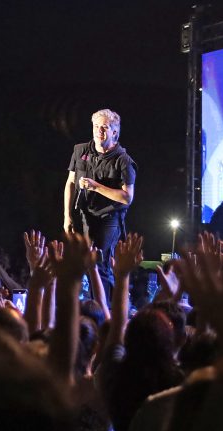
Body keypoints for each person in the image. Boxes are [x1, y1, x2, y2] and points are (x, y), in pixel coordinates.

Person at [63, 108, 137, 296]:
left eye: (104, 127)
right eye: (96, 126)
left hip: (109, 217)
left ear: (114, 132)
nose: (99, 131)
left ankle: (103, 312)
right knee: (81, 263)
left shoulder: (123, 161)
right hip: (84, 214)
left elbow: (127, 198)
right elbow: (70, 183)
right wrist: (67, 216)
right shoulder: (80, 151)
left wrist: (96, 186)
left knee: (99, 263)